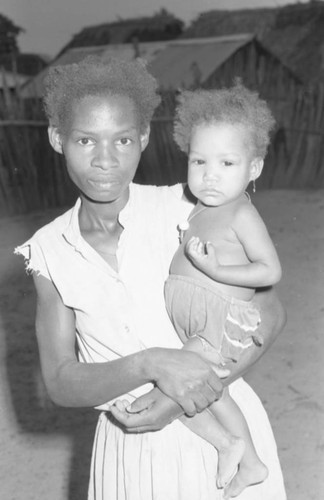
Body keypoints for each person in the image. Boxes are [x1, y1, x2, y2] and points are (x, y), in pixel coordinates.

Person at [15, 56, 286, 500]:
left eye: (122, 139)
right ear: (57, 138)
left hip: (229, 436)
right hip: (133, 451)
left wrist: (182, 396)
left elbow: (270, 309)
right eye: (85, 140)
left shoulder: (187, 209)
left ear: (143, 137)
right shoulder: (49, 251)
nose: (105, 160)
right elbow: (61, 381)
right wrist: (148, 364)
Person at [161, 83, 282, 498]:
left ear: (254, 168)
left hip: (222, 321)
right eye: (199, 161)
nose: (210, 174)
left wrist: (218, 267)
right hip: (197, 322)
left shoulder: (242, 213)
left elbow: (271, 270)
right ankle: (246, 459)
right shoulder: (196, 208)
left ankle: (237, 451)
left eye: (227, 162)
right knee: (208, 391)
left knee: (173, 386)